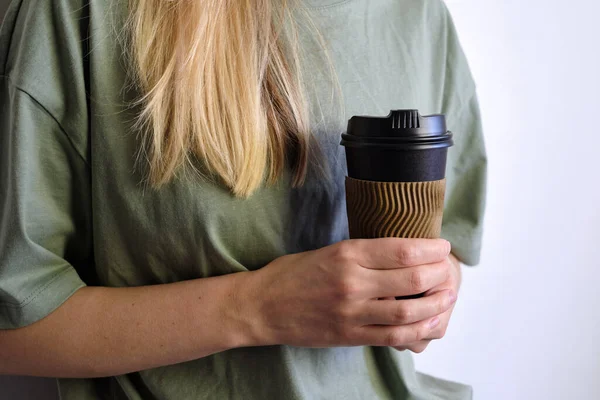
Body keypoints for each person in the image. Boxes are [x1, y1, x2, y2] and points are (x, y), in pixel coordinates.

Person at [0, 0, 486, 399]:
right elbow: (13, 329)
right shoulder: (80, 13)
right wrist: (259, 308)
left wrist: (427, 299)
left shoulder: (420, 15)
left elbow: (449, 251)